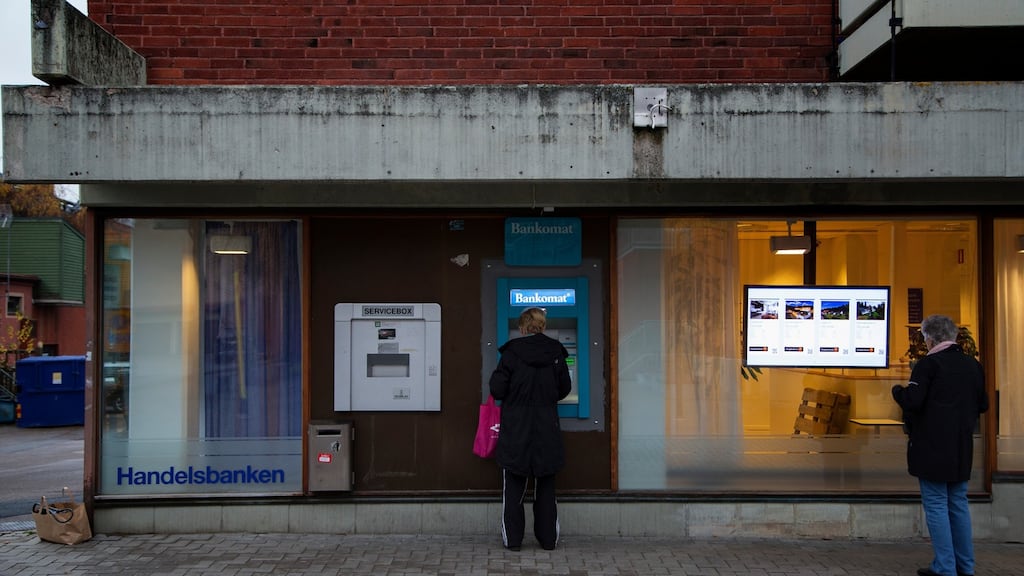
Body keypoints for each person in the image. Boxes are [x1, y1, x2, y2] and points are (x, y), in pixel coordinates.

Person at [892, 314, 988, 576]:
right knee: (958, 503)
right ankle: (965, 567)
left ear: (930, 338)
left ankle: (945, 567)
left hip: (932, 447)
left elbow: (913, 401)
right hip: (961, 447)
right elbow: (983, 405)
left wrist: (898, 392)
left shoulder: (928, 365)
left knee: (935, 504)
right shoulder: (973, 365)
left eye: (924, 337)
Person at [489, 307, 572, 551]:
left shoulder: (511, 353)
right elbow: (564, 388)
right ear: (543, 326)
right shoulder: (556, 352)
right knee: (546, 487)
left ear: (522, 327)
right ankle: (548, 540)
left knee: (514, 488)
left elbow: (497, 390)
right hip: (547, 427)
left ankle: (513, 541)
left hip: (516, 428)